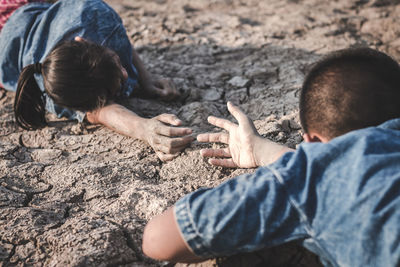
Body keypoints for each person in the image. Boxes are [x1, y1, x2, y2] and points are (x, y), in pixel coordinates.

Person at [141, 47, 400, 266]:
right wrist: (261, 149)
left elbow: (158, 240)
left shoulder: (311, 180)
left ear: (312, 143)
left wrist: (297, 165)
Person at [0, 0, 194, 161]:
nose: (126, 75)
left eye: (116, 60)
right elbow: (100, 112)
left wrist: (147, 79)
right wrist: (144, 128)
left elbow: (118, 35)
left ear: (82, 41)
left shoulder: (94, 13)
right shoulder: (57, 87)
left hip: (25, 8)